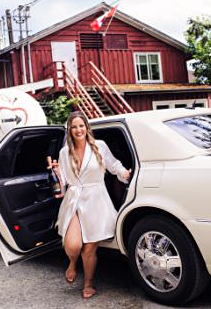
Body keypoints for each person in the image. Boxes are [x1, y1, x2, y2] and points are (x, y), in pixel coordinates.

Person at [47, 112, 132, 299]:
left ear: (87, 127)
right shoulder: (64, 152)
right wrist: (56, 172)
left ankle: (88, 283)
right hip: (74, 199)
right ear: (69, 130)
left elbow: (113, 164)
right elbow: (63, 185)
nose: (78, 130)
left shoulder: (99, 146)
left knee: (88, 250)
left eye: (81, 126)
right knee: (73, 245)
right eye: (74, 127)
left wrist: (125, 173)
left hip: (96, 200)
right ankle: (72, 263)